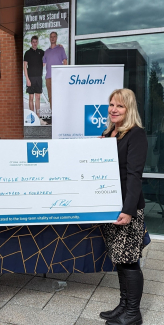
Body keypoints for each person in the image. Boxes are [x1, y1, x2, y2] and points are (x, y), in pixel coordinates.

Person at [100, 89, 148, 325]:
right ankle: (123, 305)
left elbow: (134, 176)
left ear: (128, 109)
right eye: (111, 105)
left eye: (119, 106)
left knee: (129, 260)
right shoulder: (108, 133)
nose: (113, 109)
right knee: (119, 258)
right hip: (110, 205)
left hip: (127, 208)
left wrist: (128, 211)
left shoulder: (136, 135)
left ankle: (133, 313)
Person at [43, 31, 67, 110]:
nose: (52, 38)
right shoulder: (46, 51)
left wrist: (64, 73)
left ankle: (60, 112)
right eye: (51, 37)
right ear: (50, 39)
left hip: (58, 76)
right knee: (50, 97)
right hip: (48, 77)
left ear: (56, 38)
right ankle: (54, 115)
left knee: (59, 95)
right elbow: (43, 64)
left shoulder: (60, 48)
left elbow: (65, 61)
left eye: (54, 36)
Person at [23, 35, 45, 117]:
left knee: (38, 97)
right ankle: (32, 115)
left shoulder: (41, 52)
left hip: (39, 77)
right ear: (31, 43)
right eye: (33, 42)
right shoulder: (27, 53)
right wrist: (27, 79)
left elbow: (49, 55)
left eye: (36, 42)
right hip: (30, 78)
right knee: (31, 97)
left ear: (37, 42)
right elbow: (24, 66)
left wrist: (59, 45)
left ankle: (38, 115)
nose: (35, 43)